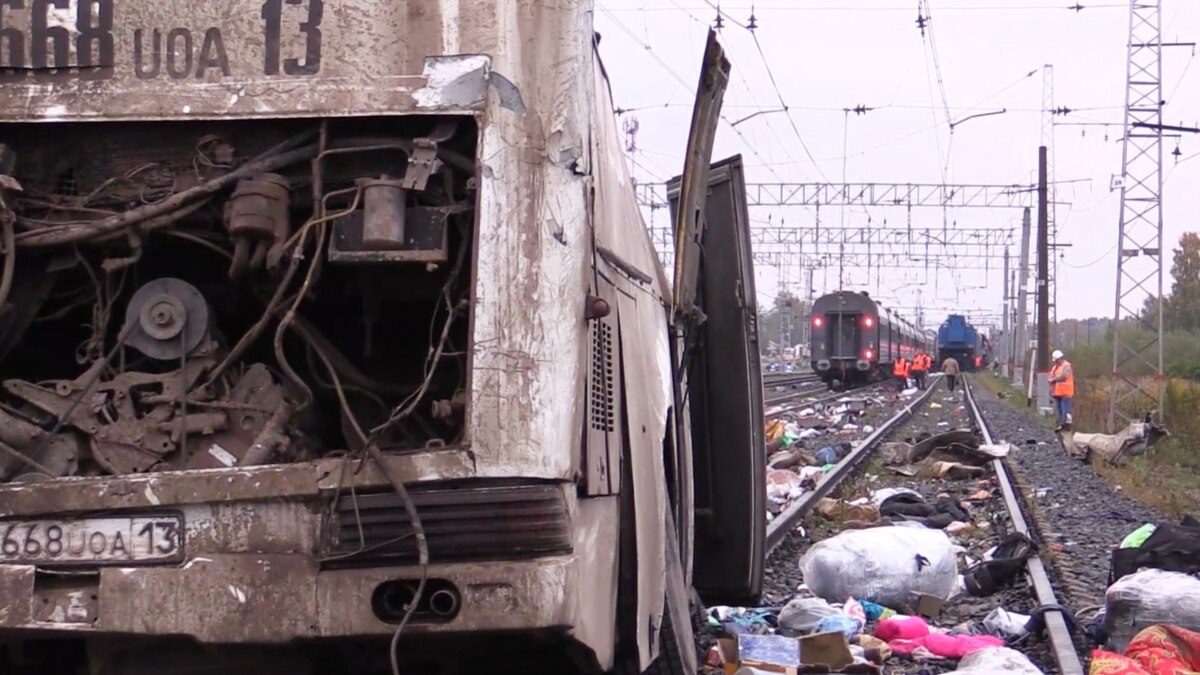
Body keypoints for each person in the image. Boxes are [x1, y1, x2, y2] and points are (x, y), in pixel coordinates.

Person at [1049, 349, 1074, 430]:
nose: (1055, 362)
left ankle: (1065, 426)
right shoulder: (1055, 367)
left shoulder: (1067, 366)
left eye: (1056, 360)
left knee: (1065, 410)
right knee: (1060, 410)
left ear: (1060, 358)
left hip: (1065, 393)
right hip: (1057, 393)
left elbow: (1064, 376)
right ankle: (1060, 424)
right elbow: (1051, 376)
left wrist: (1053, 379)